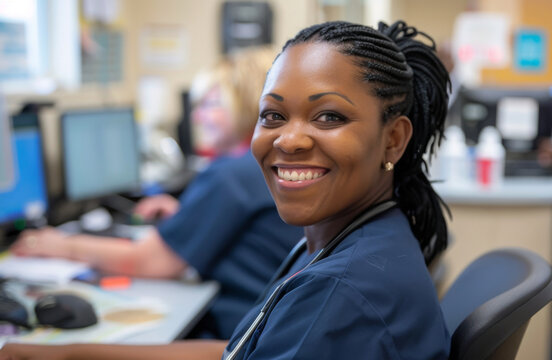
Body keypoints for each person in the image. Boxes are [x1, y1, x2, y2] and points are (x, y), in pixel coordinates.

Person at [0, 19, 451, 359]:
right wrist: (61, 353)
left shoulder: (341, 294)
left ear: (393, 138)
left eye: (329, 116)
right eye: (273, 115)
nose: (288, 139)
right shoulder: (340, 241)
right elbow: (240, 350)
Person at [8, 47, 304, 340]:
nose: (198, 117)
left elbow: (148, 262)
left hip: (244, 336)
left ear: (246, 104)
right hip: (279, 327)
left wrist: (62, 244)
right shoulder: (258, 167)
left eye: (210, 104)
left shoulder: (231, 175)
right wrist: (186, 216)